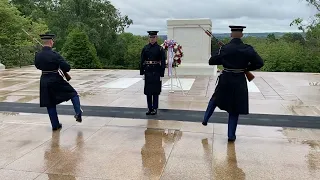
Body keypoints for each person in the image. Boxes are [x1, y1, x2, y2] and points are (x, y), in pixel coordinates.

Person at [202, 25, 264, 142]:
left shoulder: (225, 49)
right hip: (239, 80)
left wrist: (219, 50)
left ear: (231, 35)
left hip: (226, 79)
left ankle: (205, 119)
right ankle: (231, 135)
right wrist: (246, 67)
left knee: (215, 98)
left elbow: (212, 61)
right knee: (234, 108)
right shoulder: (248, 49)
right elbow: (260, 63)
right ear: (241, 35)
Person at [34, 33, 83, 131]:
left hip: (44, 79)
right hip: (55, 78)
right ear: (51, 42)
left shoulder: (38, 55)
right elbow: (67, 68)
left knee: (50, 103)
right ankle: (78, 112)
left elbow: (38, 66)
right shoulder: (55, 55)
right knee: (73, 94)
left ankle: (55, 125)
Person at [140, 31, 166, 115]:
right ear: (149, 38)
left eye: (153, 37)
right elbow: (142, 60)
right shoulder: (145, 48)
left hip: (156, 71)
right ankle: (149, 108)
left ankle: (155, 108)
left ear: (156, 38)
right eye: (151, 37)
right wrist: (142, 71)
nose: (152, 39)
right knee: (148, 91)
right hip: (148, 71)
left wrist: (162, 73)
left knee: (155, 91)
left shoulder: (160, 49)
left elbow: (162, 61)